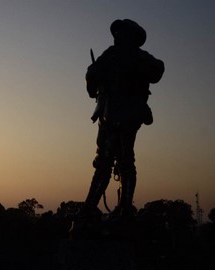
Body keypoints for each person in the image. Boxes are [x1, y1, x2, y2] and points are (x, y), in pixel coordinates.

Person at [70, 19, 165, 237]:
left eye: (120, 33)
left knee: (113, 162)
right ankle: (111, 210)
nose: (116, 36)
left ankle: (105, 210)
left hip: (120, 116)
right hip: (118, 116)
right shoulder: (118, 55)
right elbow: (92, 76)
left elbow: (157, 70)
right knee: (116, 162)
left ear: (129, 36)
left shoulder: (129, 56)